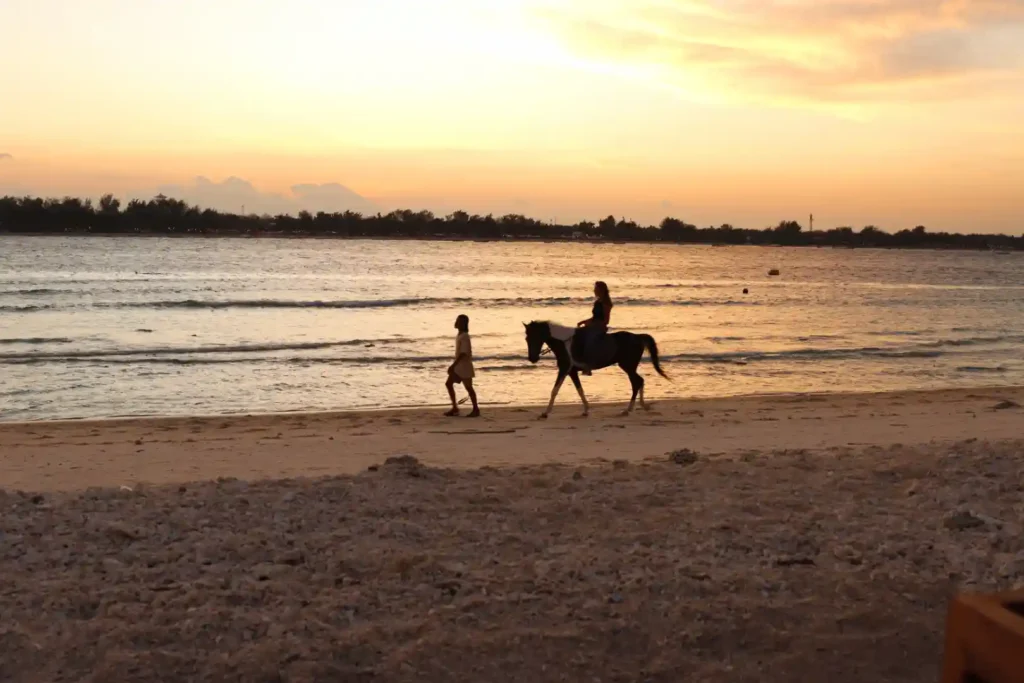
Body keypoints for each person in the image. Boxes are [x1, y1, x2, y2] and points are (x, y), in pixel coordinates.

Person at [574, 281, 613, 375]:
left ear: (601, 290)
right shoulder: (597, 302)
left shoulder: (606, 303)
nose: (594, 290)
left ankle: (588, 366)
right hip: (593, 326)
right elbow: (595, 317)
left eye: (596, 289)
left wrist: (592, 325)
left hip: (599, 328)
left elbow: (606, 321)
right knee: (576, 335)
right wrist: (584, 321)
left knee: (589, 341)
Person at [445, 314, 480, 417]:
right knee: (449, 383)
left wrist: (453, 365)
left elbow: (463, 353)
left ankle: (475, 409)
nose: (456, 322)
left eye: (459, 321)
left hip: (464, 366)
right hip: (460, 366)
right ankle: (455, 408)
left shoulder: (464, 336)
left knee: (469, 388)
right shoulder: (460, 335)